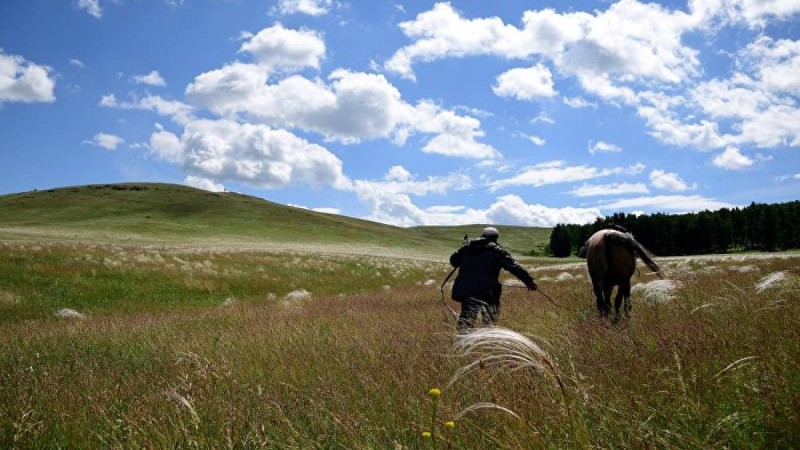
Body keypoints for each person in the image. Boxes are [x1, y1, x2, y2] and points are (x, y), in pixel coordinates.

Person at [449, 227, 537, 332]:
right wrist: (529, 281)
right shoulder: (496, 250)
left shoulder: (468, 248)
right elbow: (514, 266)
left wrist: (463, 249)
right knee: (490, 322)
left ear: (482, 236)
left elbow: (453, 261)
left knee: (465, 322)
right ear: (495, 238)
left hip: (467, 290)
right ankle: (487, 342)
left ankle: (462, 343)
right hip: (488, 291)